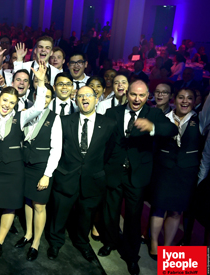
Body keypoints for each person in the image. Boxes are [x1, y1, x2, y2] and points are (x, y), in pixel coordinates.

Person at [98, 80, 178, 275]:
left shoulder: (154, 114)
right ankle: (110, 242)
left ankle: (131, 256)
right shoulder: (113, 113)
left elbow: (172, 130)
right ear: (127, 93)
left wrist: (152, 127)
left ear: (147, 95)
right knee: (110, 212)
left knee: (133, 218)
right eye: (133, 94)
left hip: (137, 175)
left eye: (141, 95)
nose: (137, 99)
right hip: (114, 171)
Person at [0, 49, 48, 259]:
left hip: (14, 169)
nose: (7, 105)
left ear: (15, 103)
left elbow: (38, 107)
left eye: (11, 102)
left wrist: (41, 83)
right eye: (4, 100)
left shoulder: (21, 116)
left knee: (9, 208)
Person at [46, 86, 120, 263]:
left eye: (88, 95)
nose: (85, 99)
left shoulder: (109, 124)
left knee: (85, 216)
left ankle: (82, 242)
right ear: (76, 100)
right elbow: (57, 149)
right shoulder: (64, 121)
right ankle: (55, 243)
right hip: (66, 177)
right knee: (59, 214)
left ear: (96, 99)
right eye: (80, 96)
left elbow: (109, 152)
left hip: (92, 180)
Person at [149, 87, 202, 260]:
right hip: (164, 169)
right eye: (181, 97)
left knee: (176, 212)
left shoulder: (200, 120)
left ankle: (168, 246)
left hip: (186, 173)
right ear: (174, 99)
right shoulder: (165, 118)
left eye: (189, 98)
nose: (185, 101)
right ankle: (154, 243)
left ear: (194, 101)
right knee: (158, 207)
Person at [15, 83, 62, 261]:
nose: (45, 99)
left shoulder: (54, 118)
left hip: (41, 167)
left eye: (49, 97)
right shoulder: (27, 113)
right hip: (24, 164)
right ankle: (27, 234)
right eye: (43, 95)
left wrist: (47, 174)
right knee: (28, 201)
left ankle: (36, 242)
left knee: (39, 206)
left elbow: (56, 149)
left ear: (51, 99)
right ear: (36, 96)